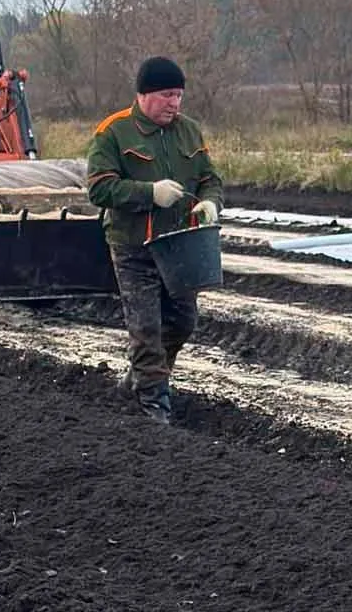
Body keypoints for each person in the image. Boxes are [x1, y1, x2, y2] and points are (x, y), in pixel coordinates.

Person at [86, 56, 223, 425]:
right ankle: (154, 409)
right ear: (144, 95)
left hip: (179, 245)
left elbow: (209, 177)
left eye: (178, 95)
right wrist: (150, 193)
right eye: (166, 95)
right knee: (146, 328)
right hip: (134, 246)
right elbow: (99, 189)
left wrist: (210, 201)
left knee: (182, 322)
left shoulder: (189, 131)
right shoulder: (113, 132)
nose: (174, 103)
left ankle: (141, 378)